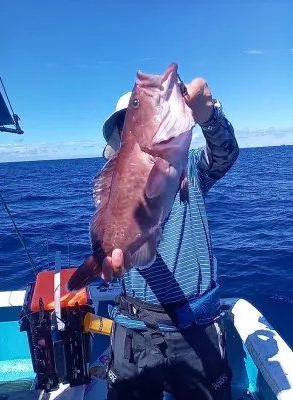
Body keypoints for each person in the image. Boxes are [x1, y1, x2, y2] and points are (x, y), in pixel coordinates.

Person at [101, 77, 239, 400]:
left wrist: (210, 115)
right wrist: (106, 259)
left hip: (196, 330)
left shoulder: (189, 167)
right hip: (134, 333)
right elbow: (107, 240)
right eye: (127, 128)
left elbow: (225, 154)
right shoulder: (116, 190)